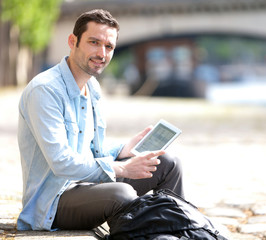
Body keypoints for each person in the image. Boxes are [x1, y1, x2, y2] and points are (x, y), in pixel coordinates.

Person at [17, 9, 184, 232]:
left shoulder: (92, 87)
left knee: (168, 164)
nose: (102, 53)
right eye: (94, 42)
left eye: (109, 47)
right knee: (122, 193)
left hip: (91, 185)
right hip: (53, 202)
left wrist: (124, 149)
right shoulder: (45, 90)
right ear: (72, 41)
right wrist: (122, 169)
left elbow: (90, 149)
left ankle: (183, 231)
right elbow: (62, 162)